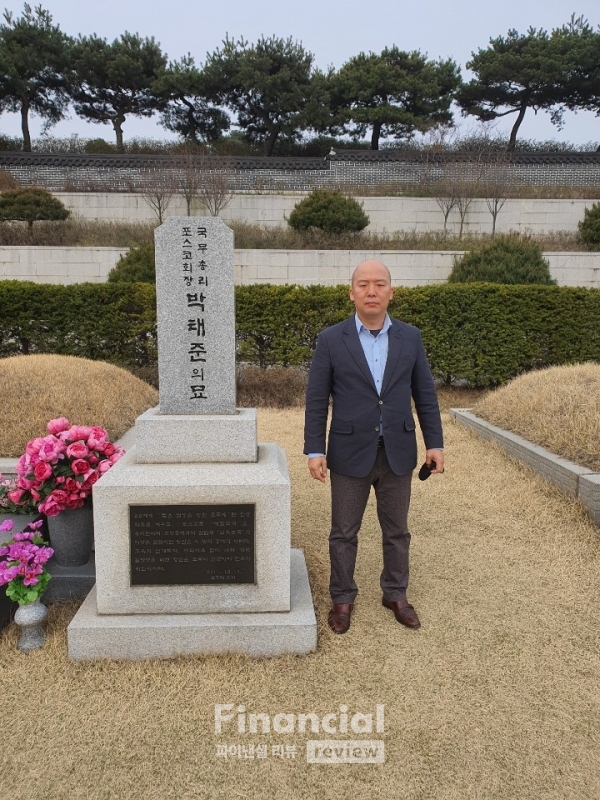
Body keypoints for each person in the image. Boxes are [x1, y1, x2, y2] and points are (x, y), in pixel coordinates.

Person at [304, 259, 444, 634]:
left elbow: (425, 394)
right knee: (344, 531)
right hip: (349, 452)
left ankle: (395, 593)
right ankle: (342, 598)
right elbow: (317, 400)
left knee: (397, 530)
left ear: (391, 292)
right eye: (363, 284)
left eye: (379, 284)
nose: (371, 291)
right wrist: (314, 449)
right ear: (351, 293)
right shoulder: (332, 339)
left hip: (397, 449)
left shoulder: (410, 337)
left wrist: (436, 443)